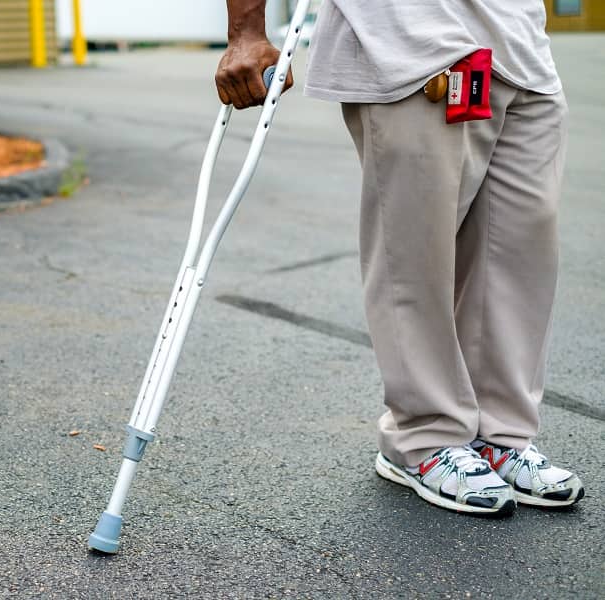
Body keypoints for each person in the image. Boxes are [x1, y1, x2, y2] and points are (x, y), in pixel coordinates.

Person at [216, 0, 584, 515]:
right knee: (416, 256)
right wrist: (246, 30)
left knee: (520, 257)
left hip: (521, 47)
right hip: (409, 47)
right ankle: (425, 438)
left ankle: (503, 435)